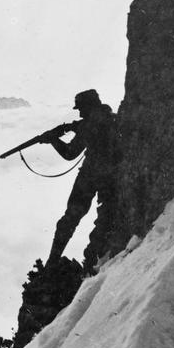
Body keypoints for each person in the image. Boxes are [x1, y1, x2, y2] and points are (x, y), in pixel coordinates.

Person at [40, 89, 119, 273]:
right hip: (111, 179)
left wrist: (53, 140)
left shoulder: (88, 125)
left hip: (91, 176)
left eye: (81, 109)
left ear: (89, 107)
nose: (80, 113)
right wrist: (73, 127)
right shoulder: (111, 119)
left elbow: (70, 153)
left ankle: (52, 263)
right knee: (104, 222)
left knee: (69, 220)